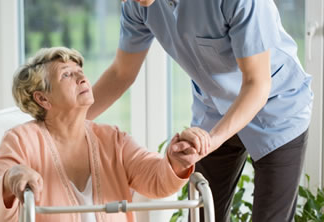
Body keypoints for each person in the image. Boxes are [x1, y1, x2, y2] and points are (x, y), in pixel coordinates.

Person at [87, 0, 313, 221]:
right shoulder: (138, 6)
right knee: (203, 213)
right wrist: (62, 120)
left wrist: (210, 141)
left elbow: (257, 84)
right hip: (214, 109)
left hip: (276, 108)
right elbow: (121, 73)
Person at [0, 46, 202, 222]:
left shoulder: (112, 138)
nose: (82, 79)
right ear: (43, 99)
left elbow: (156, 179)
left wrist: (175, 161)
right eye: (67, 75)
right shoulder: (21, 141)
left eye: (80, 72)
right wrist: (9, 178)